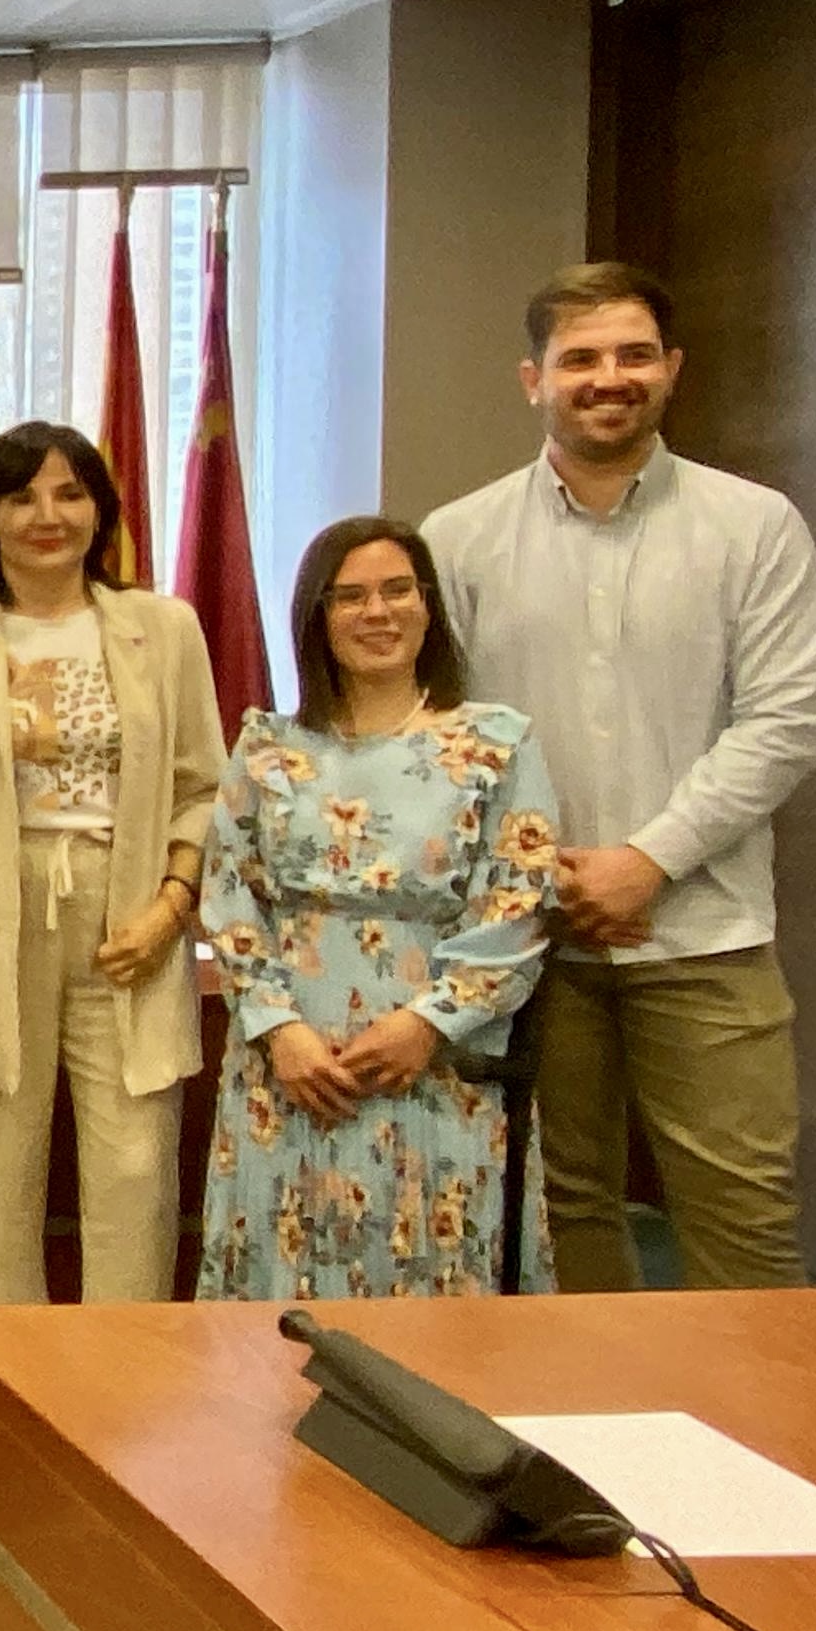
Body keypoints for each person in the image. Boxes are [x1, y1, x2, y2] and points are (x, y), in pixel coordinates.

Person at [424, 263, 816, 1293]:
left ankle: (755, 1408)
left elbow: (785, 723)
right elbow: (444, 739)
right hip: (528, 943)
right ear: (534, 379)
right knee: (556, 1220)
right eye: (581, 359)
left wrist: (647, 861)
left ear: (672, 369)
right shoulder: (459, 539)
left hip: (704, 937)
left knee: (744, 1220)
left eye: (634, 355)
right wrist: (545, 872)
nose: (609, 377)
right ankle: (590, 1408)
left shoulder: (756, 527)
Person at [0, 422, 222, 1307]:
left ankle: (123, 1390)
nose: (48, 516)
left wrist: (169, 909)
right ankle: (11, 1392)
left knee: (136, 1176)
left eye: (70, 494)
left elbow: (204, 790)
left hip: (131, 915)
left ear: (100, 511)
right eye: (22, 497)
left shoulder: (163, 628)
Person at [197, 519, 563, 1300]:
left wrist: (426, 1025)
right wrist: (279, 1030)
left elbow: (519, 901)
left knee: (435, 1293)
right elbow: (229, 896)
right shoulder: (267, 748)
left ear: (427, 606)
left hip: (436, 1072)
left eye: (398, 591)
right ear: (317, 616)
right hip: (290, 1073)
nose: (378, 612)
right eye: (351, 596)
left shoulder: (495, 746)